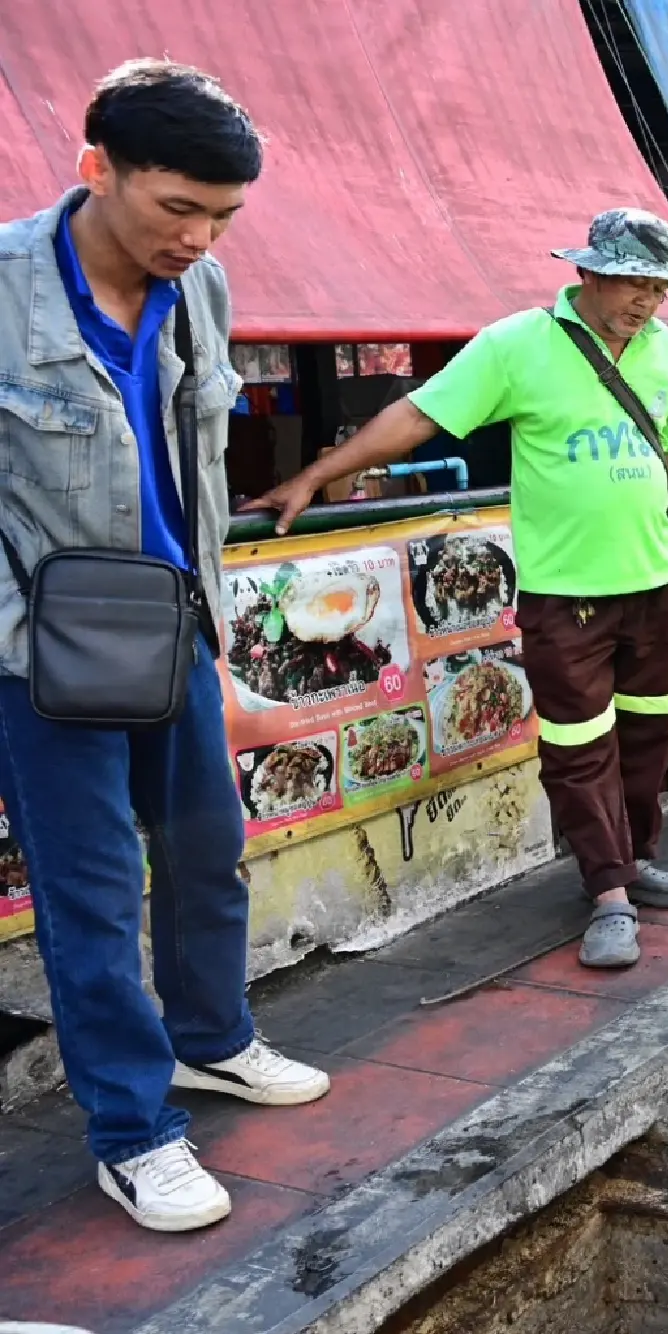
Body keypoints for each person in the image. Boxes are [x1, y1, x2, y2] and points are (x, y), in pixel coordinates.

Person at [0, 60, 329, 1233]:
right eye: (174, 209)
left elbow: (193, 476)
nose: (198, 236)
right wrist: (27, 641)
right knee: (91, 892)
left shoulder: (204, 289)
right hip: (44, 648)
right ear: (97, 170)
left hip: (174, 623)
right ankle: (134, 1131)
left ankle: (214, 1039)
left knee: (207, 849)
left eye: (222, 214)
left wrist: (216, 634)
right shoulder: (3, 289)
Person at [249, 208, 668, 968]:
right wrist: (313, 476)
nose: (646, 301)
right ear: (588, 273)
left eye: (659, 287)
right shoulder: (516, 344)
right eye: (634, 281)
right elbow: (416, 416)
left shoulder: (665, 352)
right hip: (568, 592)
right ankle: (606, 890)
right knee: (578, 743)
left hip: (656, 582)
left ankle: (634, 858)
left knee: (653, 731)